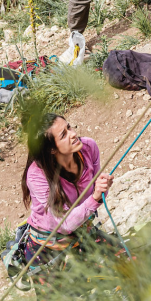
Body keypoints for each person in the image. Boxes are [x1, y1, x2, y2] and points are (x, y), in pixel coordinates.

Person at [20, 114, 118, 269]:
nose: (73, 134)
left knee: (126, 267)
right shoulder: (37, 176)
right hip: (49, 247)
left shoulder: (88, 148)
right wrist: (95, 197)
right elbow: (64, 223)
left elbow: (95, 192)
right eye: (64, 135)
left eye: (69, 127)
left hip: (82, 232)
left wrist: (101, 190)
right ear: (52, 149)